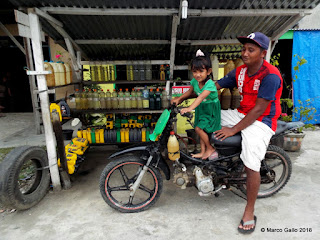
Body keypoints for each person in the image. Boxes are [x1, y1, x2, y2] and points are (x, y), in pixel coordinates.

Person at [214, 32, 283, 234]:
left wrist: (233, 130)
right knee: (208, 118)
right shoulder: (240, 72)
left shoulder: (270, 75)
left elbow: (259, 110)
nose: (245, 53)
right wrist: (193, 97)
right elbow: (215, 86)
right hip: (242, 113)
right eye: (243, 49)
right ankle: (215, 154)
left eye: (250, 49)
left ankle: (249, 210)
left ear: (263, 53)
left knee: (251, 162)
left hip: (262, 120)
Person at [171, 49, 221, 160]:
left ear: (208, 71)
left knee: (198, 129)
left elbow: (200, 97)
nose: (197, 75)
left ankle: (210, 148)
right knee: (200, 129)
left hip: (210, 109)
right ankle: (203, 152)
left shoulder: (210, 85)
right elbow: (190, 92)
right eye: (195, 71)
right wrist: (179, 99)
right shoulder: (194, 81)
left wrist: (189, 108)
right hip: (201, 108)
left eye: (201, 71)